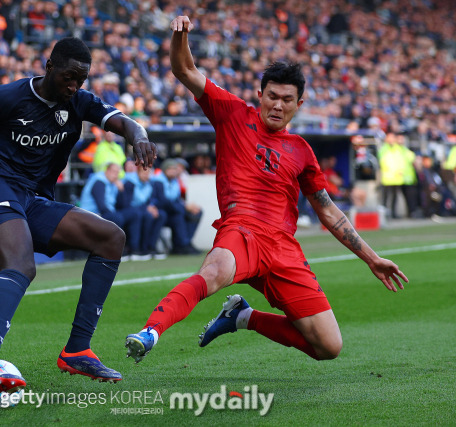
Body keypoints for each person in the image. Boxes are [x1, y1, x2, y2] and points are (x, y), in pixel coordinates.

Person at [125, 16, 407, 365]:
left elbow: (328, 211)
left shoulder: (302, 151)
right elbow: (184, 70)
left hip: (283, 248)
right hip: (241, 231)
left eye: (287, 99)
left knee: (328, 347)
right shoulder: (231, 113)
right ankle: (150, 332)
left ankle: (243, 317)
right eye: (272, 96)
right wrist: (180, 35)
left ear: (299, 104)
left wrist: (372, 258)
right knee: (212, 273)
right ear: (260, 95)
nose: (278, 105)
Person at [0, 37, 157, 393]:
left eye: (81, 80)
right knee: (21, 265)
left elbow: (124, 122)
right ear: (49, 67)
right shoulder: (7, 97)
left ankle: (77, 351)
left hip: (33, 198)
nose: (74, 86)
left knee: (110, 237)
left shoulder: (79, 102)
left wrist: (140, 136)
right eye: (68, 77)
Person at [78, 162, 144, 259]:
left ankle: (134, 249)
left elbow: (123, 205)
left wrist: (121, 191)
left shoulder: (113, 184)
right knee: (117, 217)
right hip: (92, 215)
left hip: (106, 213)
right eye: (113, 172)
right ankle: (116, 250)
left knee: (134, 214)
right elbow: (102, 206)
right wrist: (116, 214)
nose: (115, 175)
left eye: (117, 172)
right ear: (107, 171)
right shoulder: (99, 182)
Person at [151, 158, 202, 254]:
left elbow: (177, 199)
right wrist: (183, 207)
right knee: (179, 214)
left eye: (174, 169)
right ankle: (182, 244)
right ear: (164, 169)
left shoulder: (175, 181)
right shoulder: (158, 181)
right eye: (170, 169)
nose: (173, 171)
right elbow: (163, 202)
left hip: (172, 210)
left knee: (196, 212)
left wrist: (186, 206)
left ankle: (186, 242)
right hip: (163, 211)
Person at [121, 163, 168, 259]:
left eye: (148, 173)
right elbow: (126, 203)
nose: (146, 175)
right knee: (145, 215)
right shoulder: (130, 183)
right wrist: (146, 208)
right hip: (129, 209)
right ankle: (138, 248)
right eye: (143, 172)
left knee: (161, 215)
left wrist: (152, 207)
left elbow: (151, 200)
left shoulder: (150, 184)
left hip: (142, 209)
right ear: (138, 173)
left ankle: (151, 246)